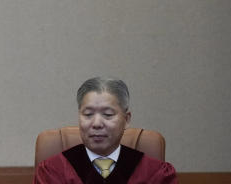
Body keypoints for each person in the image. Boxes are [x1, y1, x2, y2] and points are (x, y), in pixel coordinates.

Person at [34, 77, 178, 184]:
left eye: (108, 114)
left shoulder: (155, 173)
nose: (96, 123)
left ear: (126, 119)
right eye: (88, 114)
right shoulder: (52, 171)